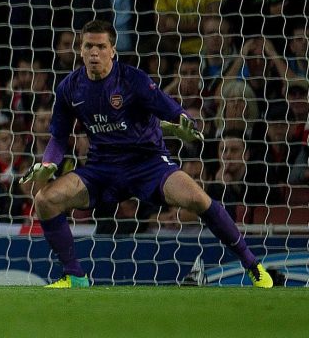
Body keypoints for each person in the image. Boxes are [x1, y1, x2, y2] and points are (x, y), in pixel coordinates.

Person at [21, 20, 272, 288]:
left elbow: (171, 109)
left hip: (148, 164)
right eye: (88, 46)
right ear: (80, 50)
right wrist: (48, 163)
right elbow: (59, 138)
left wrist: (185, 121)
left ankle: (253, 265)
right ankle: (74, 276)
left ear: (113, 50)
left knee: (198, 199)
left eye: (101, 46)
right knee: (45, 200)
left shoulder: (133, 80)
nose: (95, 52)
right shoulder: (69, 88)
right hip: (102, 169)